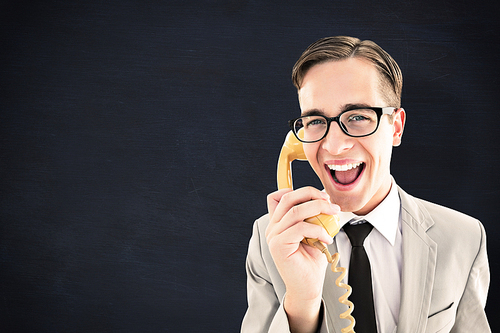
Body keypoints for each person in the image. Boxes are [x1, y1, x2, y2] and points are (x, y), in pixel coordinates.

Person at [241, 36, 490, 333]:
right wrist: (302, 304)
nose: (333, 146)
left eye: (358, 116)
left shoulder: (463, 238)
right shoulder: (272, 239)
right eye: (316, 121)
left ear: (395, 128)